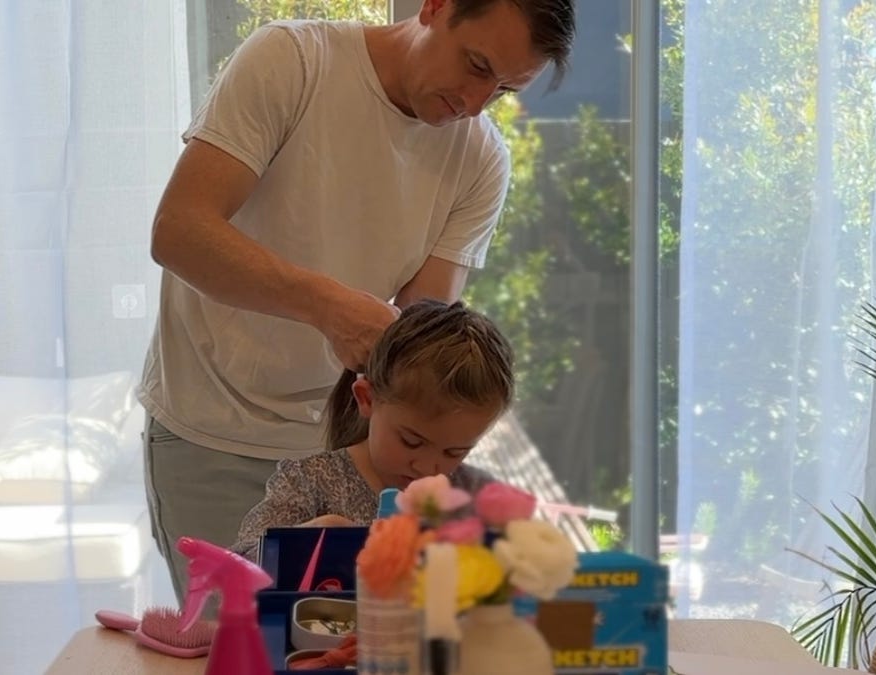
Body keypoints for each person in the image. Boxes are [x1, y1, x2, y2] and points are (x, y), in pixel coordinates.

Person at [137, 0, 577, 602]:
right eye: (477, 66)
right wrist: (326, 305)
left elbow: (417, 349)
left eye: (502, 90)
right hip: (212, 432)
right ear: (435, 7)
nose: (476, 103)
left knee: (360, 638)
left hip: (355, 453)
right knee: (233, 638)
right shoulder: (292, 61)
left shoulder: (481, 160)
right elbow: (179, 232)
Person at [231, 299, 514, 560]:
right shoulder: (309, 482)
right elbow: (233, 571)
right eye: (411, 441)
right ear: (367, 398)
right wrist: (299, 543)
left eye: (455, 452)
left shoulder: (475, 493)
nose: (428, 468)